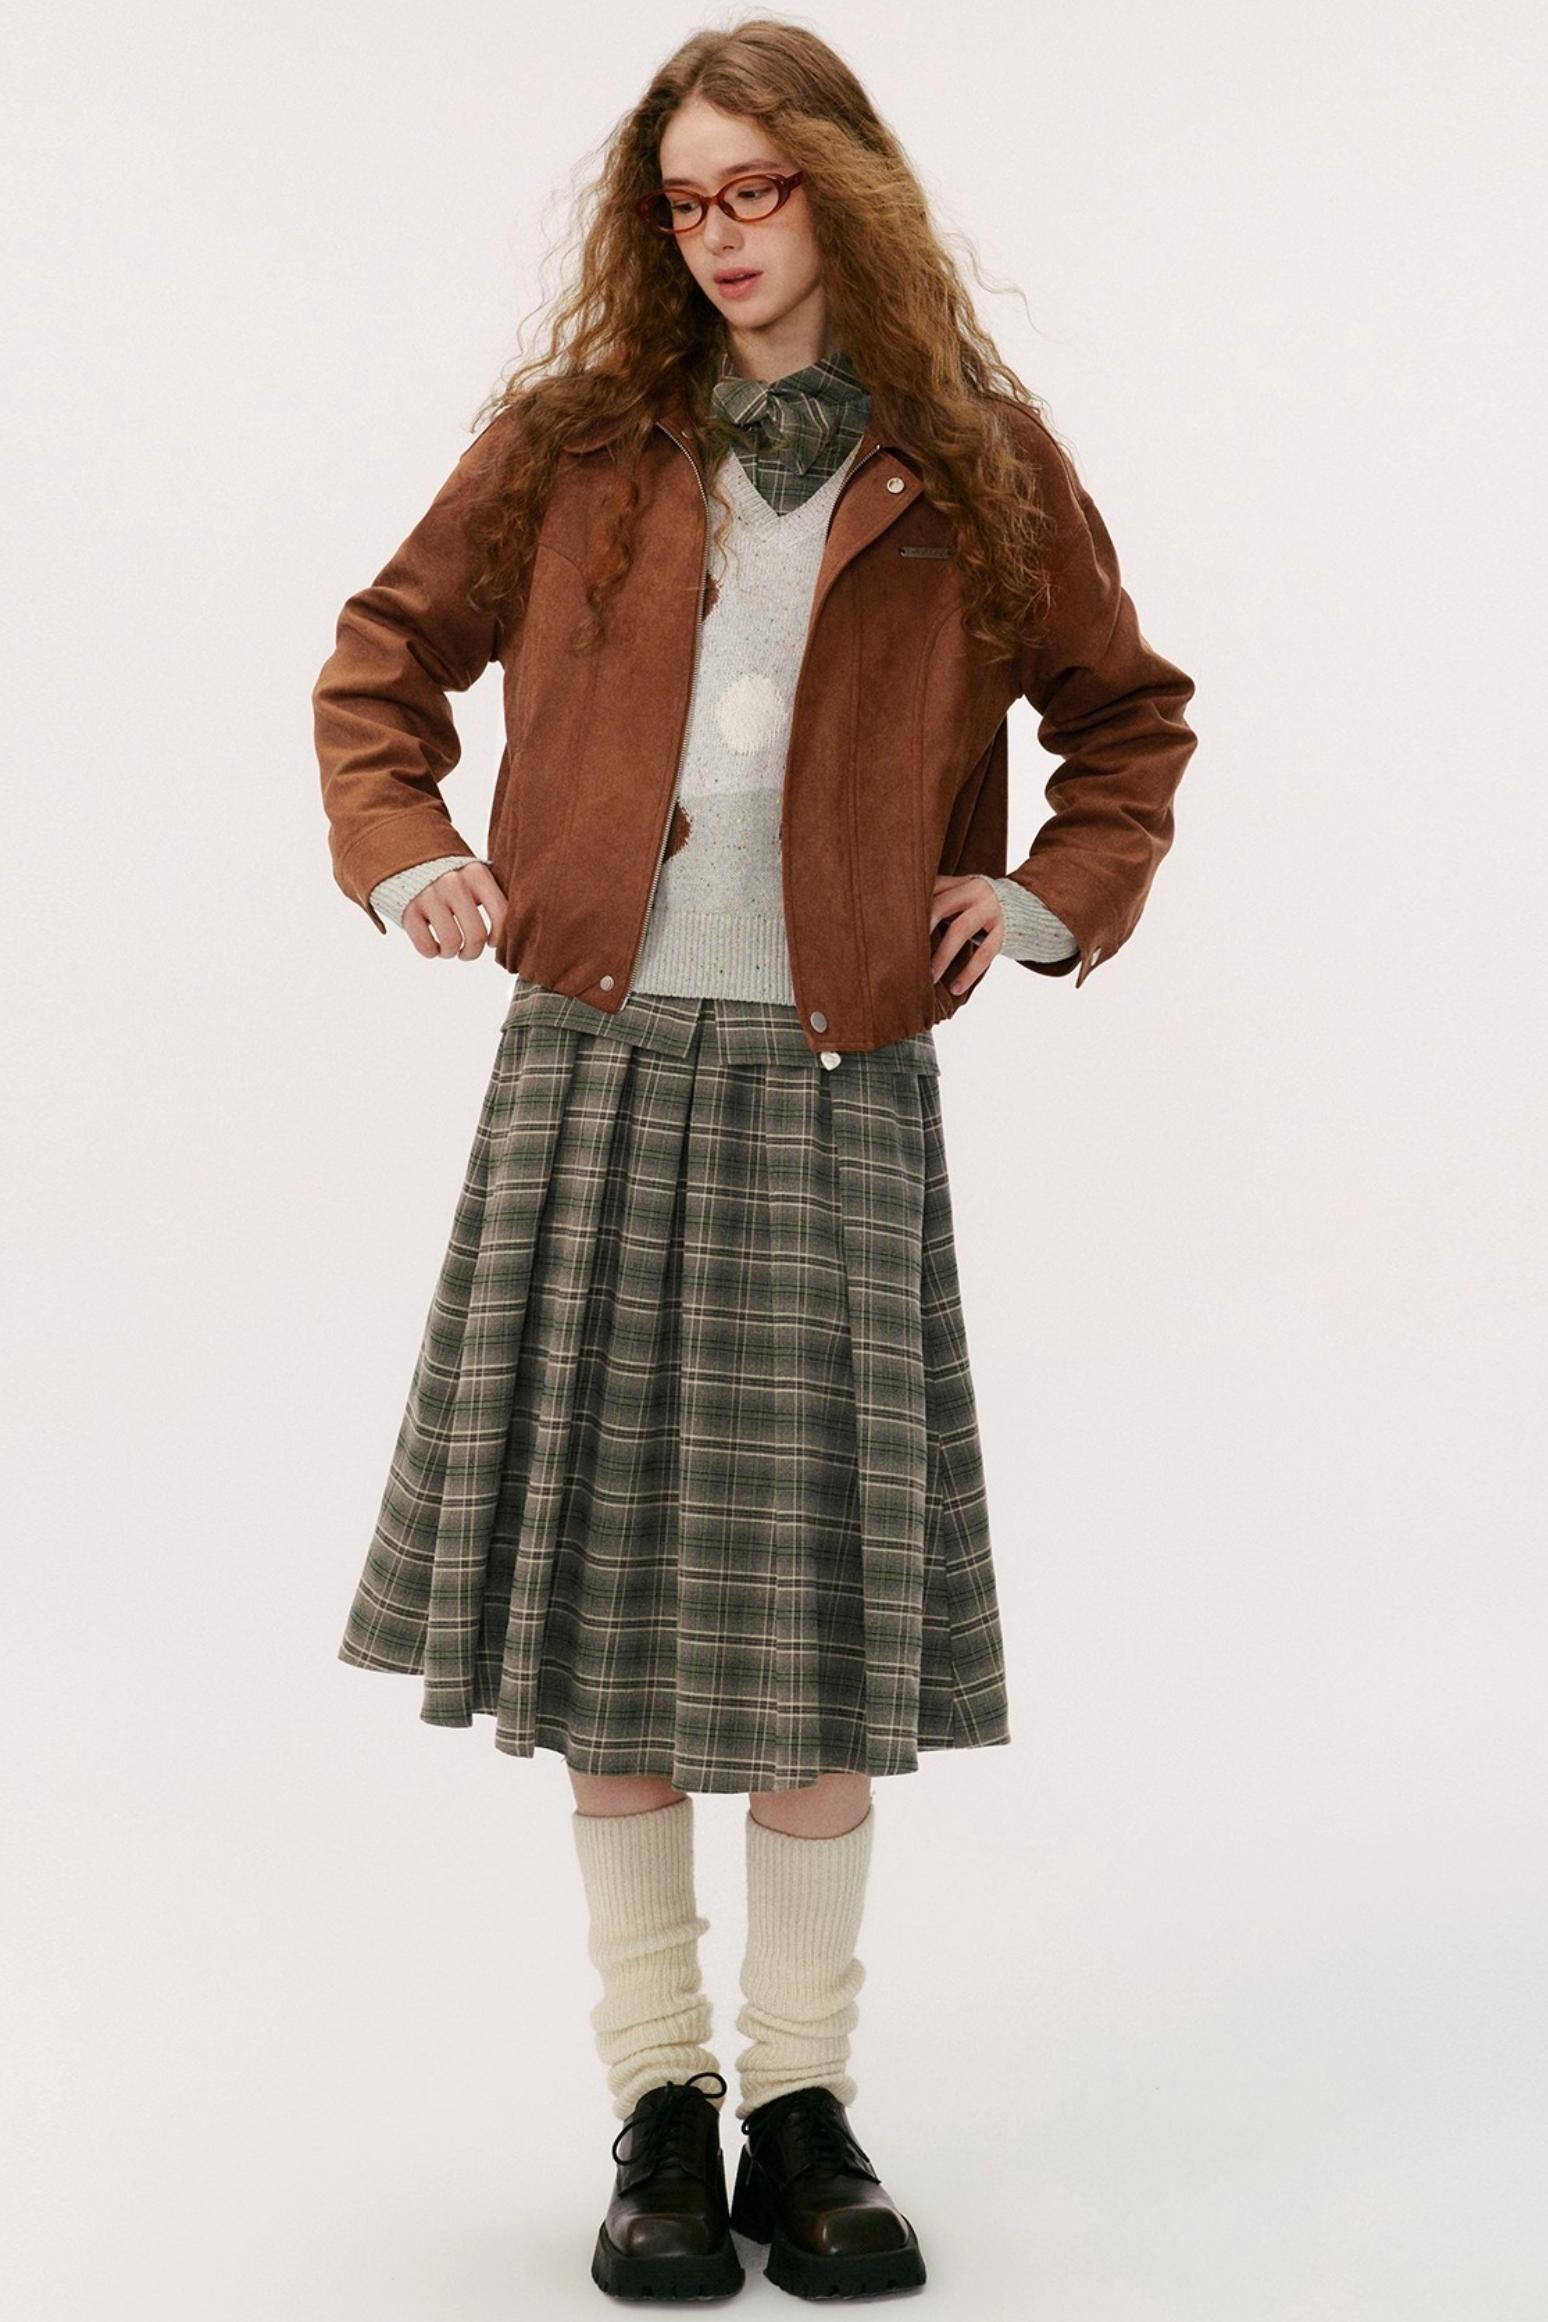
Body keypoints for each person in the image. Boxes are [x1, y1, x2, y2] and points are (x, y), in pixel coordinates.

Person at [312, 18, 1197, 2303]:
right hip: (594, 1068)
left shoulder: (971, 458)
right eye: (684, 202)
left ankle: (802, 2109)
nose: (718, 236)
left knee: (813, 1632)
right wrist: (404, 848)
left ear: (842, 190)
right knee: (612, 1634)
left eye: (756, 191)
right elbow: (382, 664)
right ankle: (658, 2110)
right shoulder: (577, 442)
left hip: (832, 1084)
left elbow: (1127, 718)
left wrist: (1047, 899)